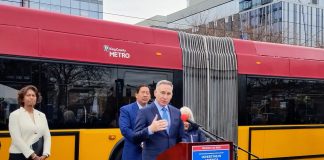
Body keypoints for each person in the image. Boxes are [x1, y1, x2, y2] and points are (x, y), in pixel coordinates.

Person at [134, 80, 184, 160]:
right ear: (155, 93)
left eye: (168, 93)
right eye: (162, 93)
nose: (165, 97)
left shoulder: (177, 112)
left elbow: (181, 137)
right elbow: (135, 138)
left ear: (172, 95)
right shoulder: (144, 111)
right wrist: (150, 129)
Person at [8, 85, 51, 160]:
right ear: (22, 99)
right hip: (19, 155)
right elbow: (16, 139)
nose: (31, 97)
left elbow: (47, 136)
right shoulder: (15, 115)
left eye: (33, 95)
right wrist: (32, 155)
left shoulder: (41, 115)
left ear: (36, 98)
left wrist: (45, 154)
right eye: (28, 95)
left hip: (38, 155)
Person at [119, 84, 151, 160]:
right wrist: (140, 140)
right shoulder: (126, 110)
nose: (145, 95)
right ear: (136, 95)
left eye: (147, 93)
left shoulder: (154, 109)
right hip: (132, 154)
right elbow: (125, 129)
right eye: (143, 92)